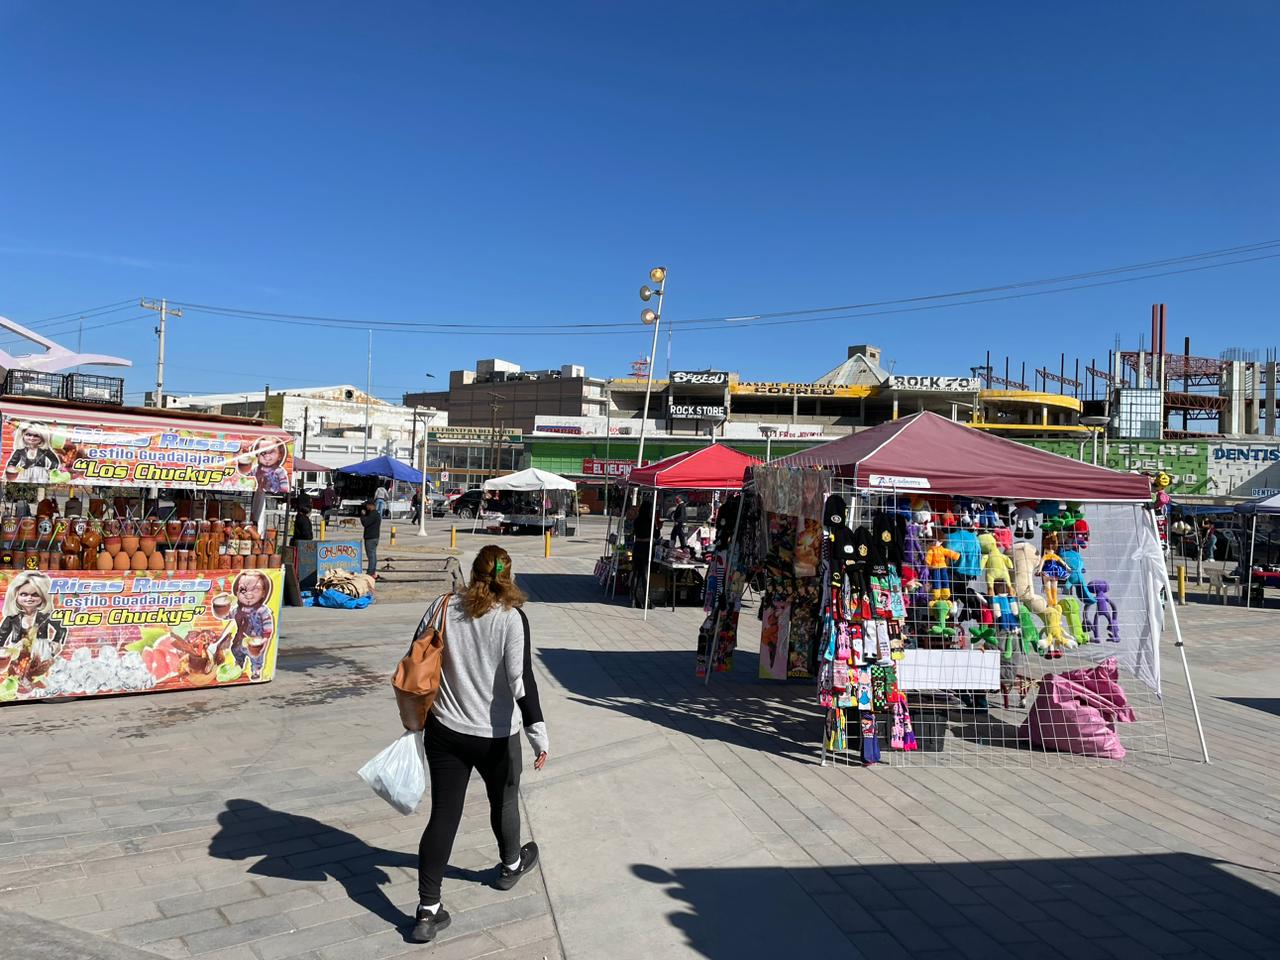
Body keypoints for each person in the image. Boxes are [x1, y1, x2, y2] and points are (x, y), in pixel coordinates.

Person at [410, 545, 548, 944]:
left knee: (443, 815)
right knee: (504, 801)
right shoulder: (512, 619)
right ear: (509, 575)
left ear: (474, 572)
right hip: (496, 735)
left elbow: (417, 653)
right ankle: (510, 865)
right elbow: (521, 681)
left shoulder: (442, 606)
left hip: (445, 729)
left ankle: (427, 910)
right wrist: (538, 734)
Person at [0, 571, 67, 687]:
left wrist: (57, 642)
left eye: (35, 595)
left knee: (40, 677)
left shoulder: (45, 616)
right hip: (17, 651)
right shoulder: (12, 618)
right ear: (15, 595)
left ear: (43, 596)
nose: (29, 598)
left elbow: (61, 628)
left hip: (40, 650)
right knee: (16, 677)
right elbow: (1, 636)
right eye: (24, 594)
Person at [361, 500, 381, 577]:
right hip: (375, 537)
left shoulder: (373, 514)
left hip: (371, 538)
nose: (366, 507)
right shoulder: (376, 513)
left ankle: (370, 572)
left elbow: (365, 523)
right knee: (373, 555)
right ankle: (372, 571)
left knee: (371, 556)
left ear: (371, 505)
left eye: (367, 505)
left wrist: (363, 515)